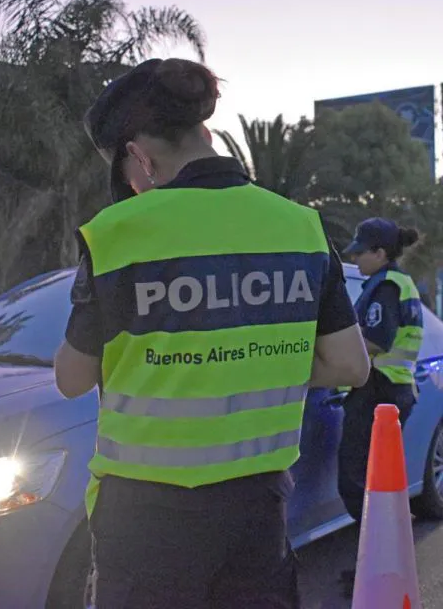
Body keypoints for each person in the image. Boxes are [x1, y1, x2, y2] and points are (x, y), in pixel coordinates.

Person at [54, 57, 369, 609]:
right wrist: (252, 357)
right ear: (204, 132)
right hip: (258, 511)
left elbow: (72, 378)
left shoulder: (117, 235)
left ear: (139, 156)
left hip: (144, 520)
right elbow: (350, 365)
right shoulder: (300, 227)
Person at [337, 217, 423, 594]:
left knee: (356, 482)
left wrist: (329, 355)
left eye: (361, 252)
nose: (355, 259)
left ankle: (378, 561)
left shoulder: (386, 286)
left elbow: (374, 341)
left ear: (380, 252)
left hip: (379, 392)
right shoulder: (395, 283)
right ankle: (378, 558)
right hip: (391, 391)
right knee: (374, 483)